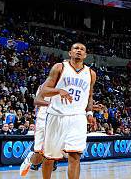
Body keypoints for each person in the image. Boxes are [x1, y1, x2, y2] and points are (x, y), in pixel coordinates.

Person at [37, 43, 97, 179]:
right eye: (76, 48)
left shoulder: (91, 73)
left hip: (77, 117)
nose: (79, 51)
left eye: (82, 49)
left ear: (85, 55)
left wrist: (89, 113)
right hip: (56, 115)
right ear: (70, 53)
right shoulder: (59, 67)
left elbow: (89, 95)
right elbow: (43, 91)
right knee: (49, 157)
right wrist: (58, 90)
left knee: (75, 156)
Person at [19, 83, 57, 176]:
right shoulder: (43, 86)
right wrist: (51, 105)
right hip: (42, 119)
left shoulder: (64, 87)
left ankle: (51, 165)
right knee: (38, 153)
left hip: (55, 120)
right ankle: (31, 159)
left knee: (53, 148)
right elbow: (37, 102)